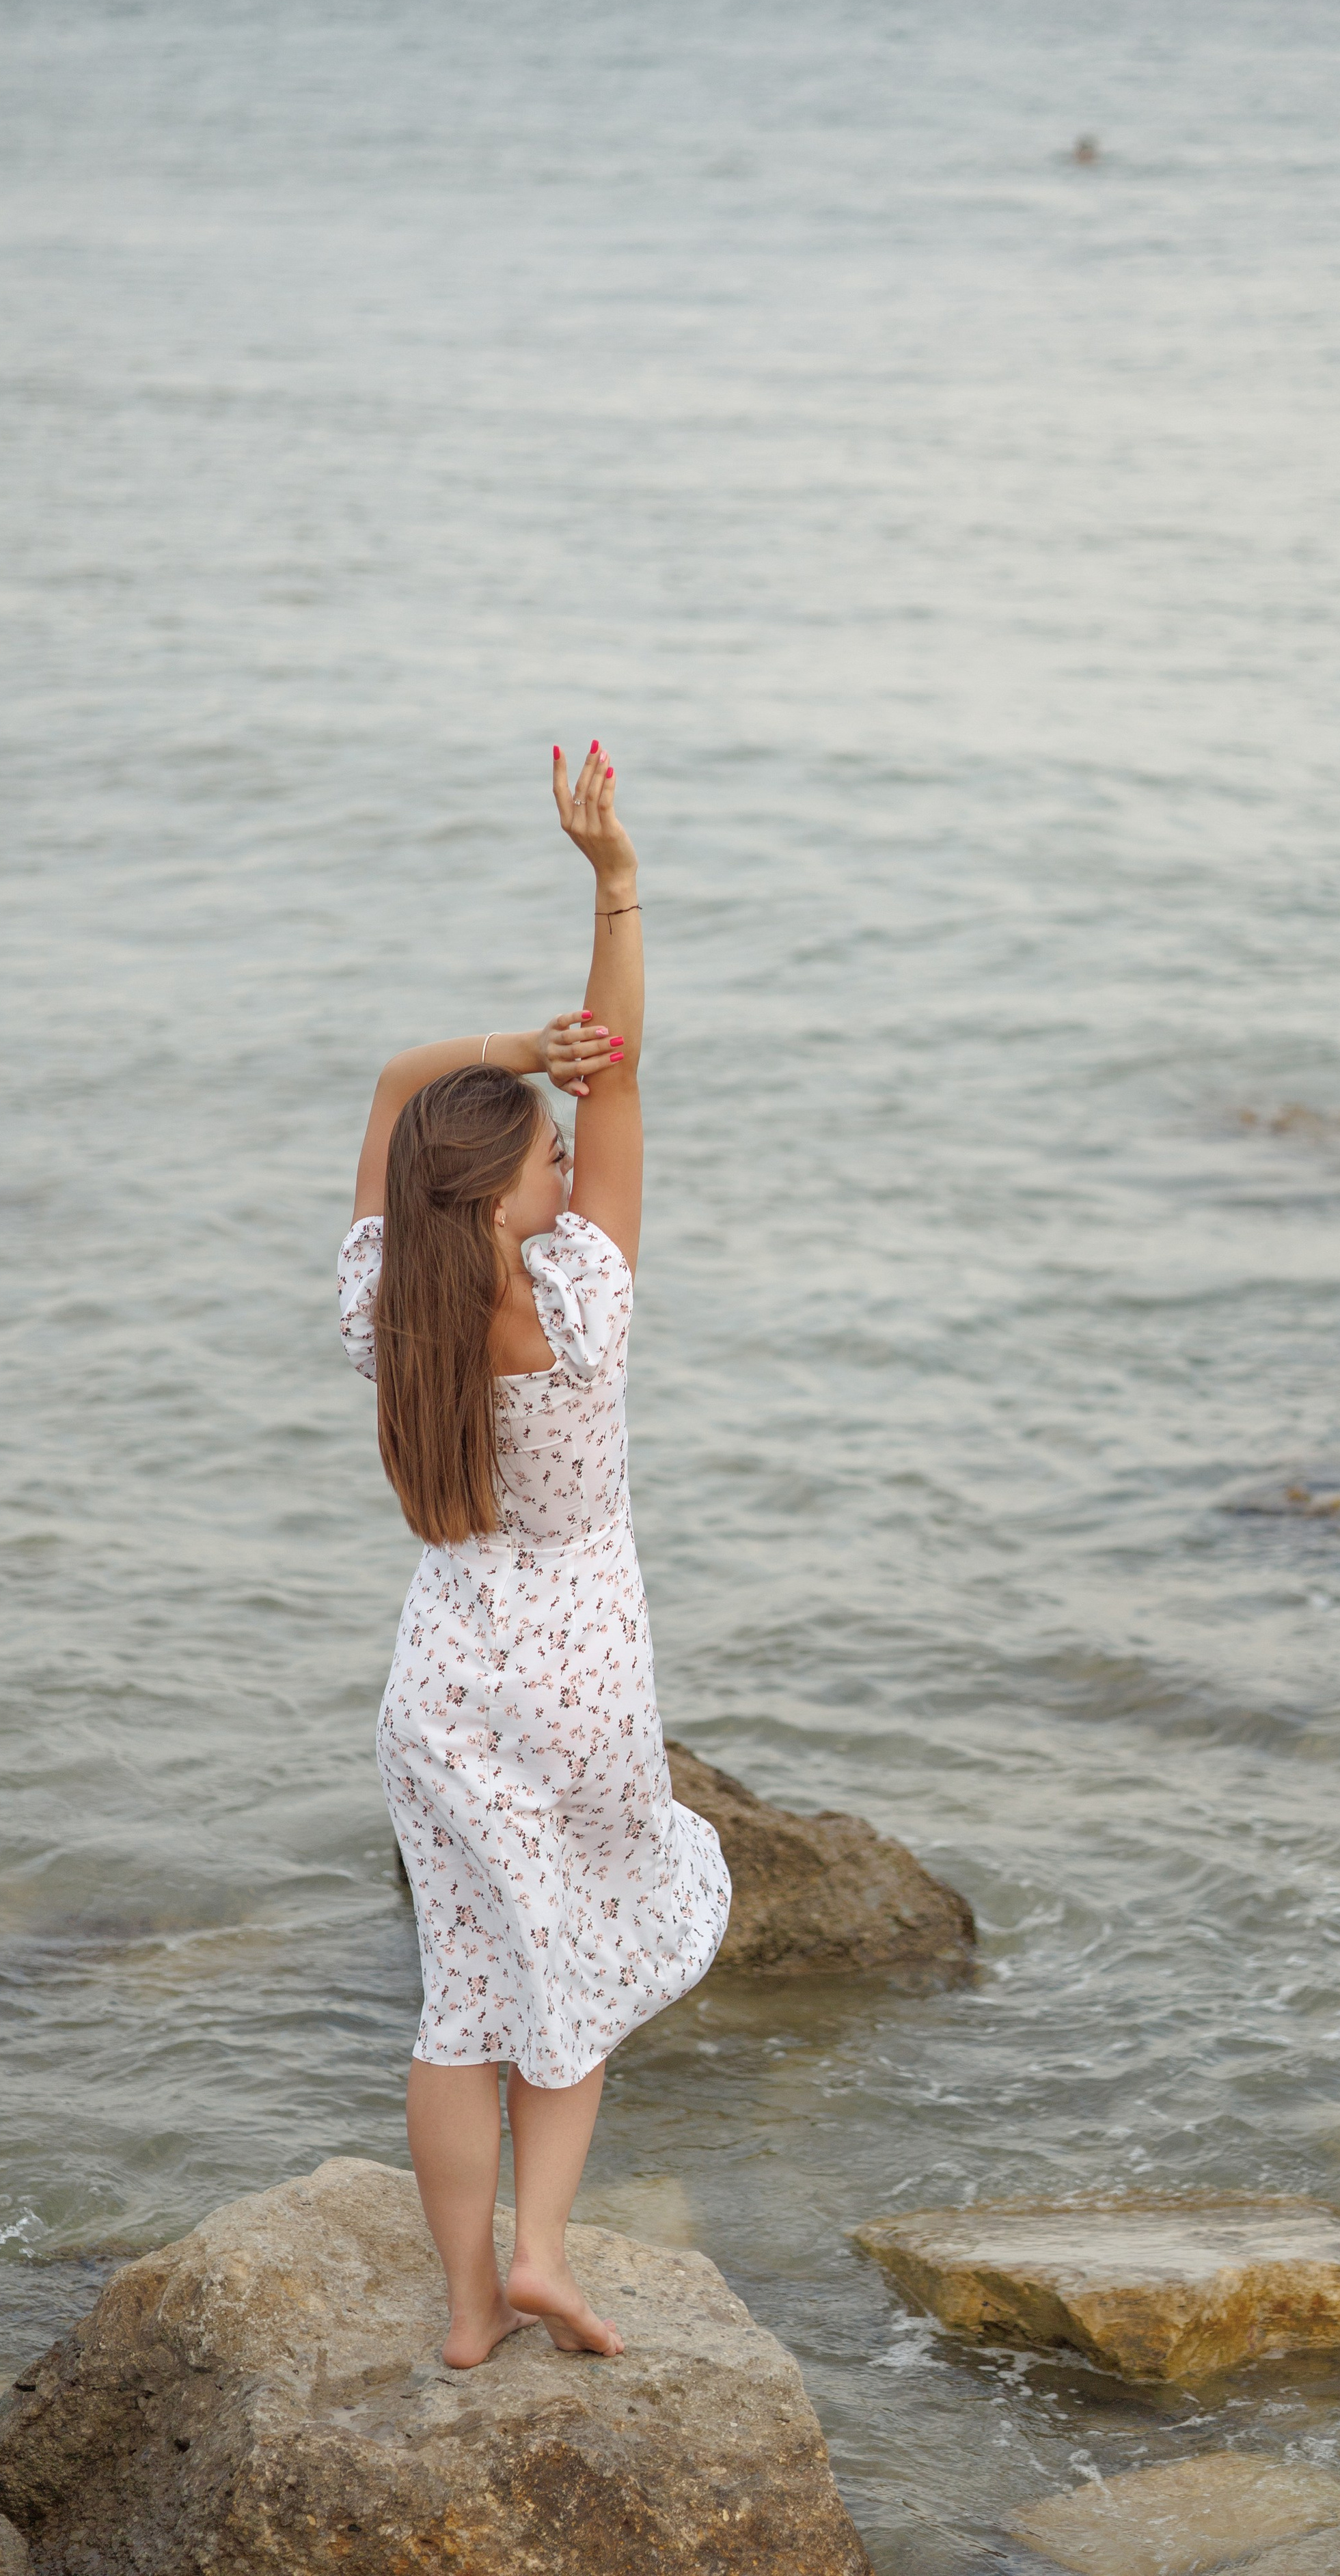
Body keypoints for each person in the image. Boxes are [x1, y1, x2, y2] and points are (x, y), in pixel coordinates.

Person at [337, 740, 731, 2363]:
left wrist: (504, 1049)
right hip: (575, 1670)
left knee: (463, 2001)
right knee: (570, 1967)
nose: (571, 1163)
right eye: (546, 1161)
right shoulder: (577, 1310)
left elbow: (388, 1093)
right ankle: (545, 2254)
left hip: (440, 1679)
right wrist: (613, 883)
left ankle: (460, 2311)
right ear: (509, 1207)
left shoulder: (386, 1306)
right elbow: (622, 1072)